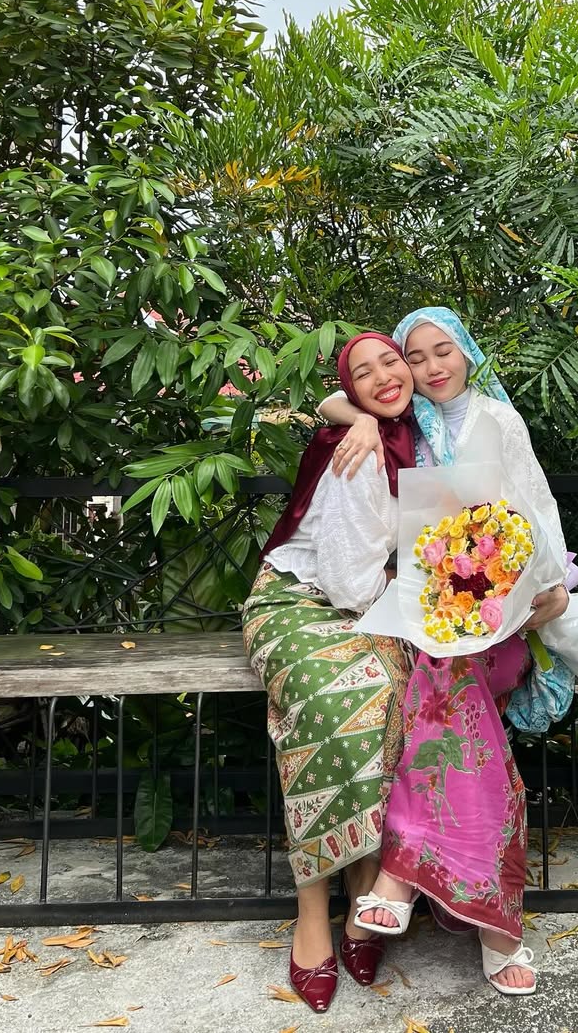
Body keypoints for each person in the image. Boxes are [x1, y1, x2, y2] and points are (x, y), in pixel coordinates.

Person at [318, 306, 578, 996]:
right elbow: (331, 403)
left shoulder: (499, 421)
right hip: (434, 621)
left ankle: (399, 876)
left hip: (507, 618)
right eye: (415, 357)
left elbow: (538, 511)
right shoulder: (405, 425)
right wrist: (356, 420)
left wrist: (552, 590)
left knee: (447, 679)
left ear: (468, 351)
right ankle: (499, 928)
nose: (431, 367)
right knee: (452, 686)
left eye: (443, 351)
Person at [242, 332, 416, 1013]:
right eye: (362, 374)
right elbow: (345, 581)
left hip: (373, 601)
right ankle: (313, 907)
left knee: (390, 692)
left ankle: (365, 889)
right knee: (327, 701)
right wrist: (360, 422)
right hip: (298, 600)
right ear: (351, 388)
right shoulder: (360, 450)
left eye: (391, 361)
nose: (383, 377)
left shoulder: (415, 436)